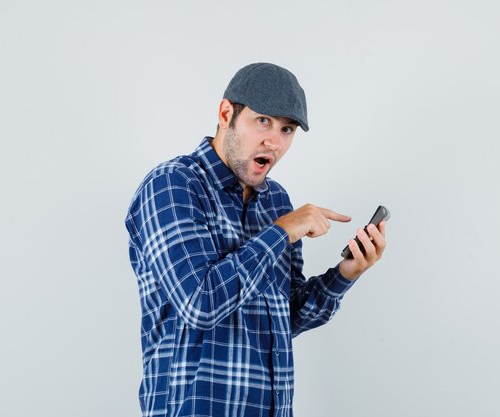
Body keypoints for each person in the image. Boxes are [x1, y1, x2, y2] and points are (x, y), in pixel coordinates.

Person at [125, 62, 387, 417]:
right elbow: (200, 304)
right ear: (225, 113)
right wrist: (281, 231)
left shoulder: (276, 201)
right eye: (263, 121)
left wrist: (345, 273)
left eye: (287, 129)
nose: (274, 141)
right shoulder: (173, 185)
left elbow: (286, 317)